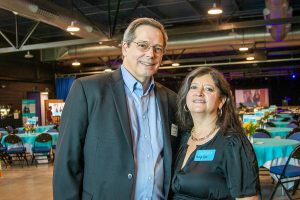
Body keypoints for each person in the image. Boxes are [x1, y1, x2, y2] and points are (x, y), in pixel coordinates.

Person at [53, 17, 179, 200]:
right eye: (143, 45)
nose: (151, 54)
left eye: (158, 48)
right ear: (125, 47)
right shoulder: (88, 90)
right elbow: (67, 162)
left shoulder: (171, 99)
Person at [171, 67, 260, 199]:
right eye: (193, 87)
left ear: (221, 100)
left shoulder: (233, 144)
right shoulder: (182, 138)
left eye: (208, 89)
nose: (199, 92)